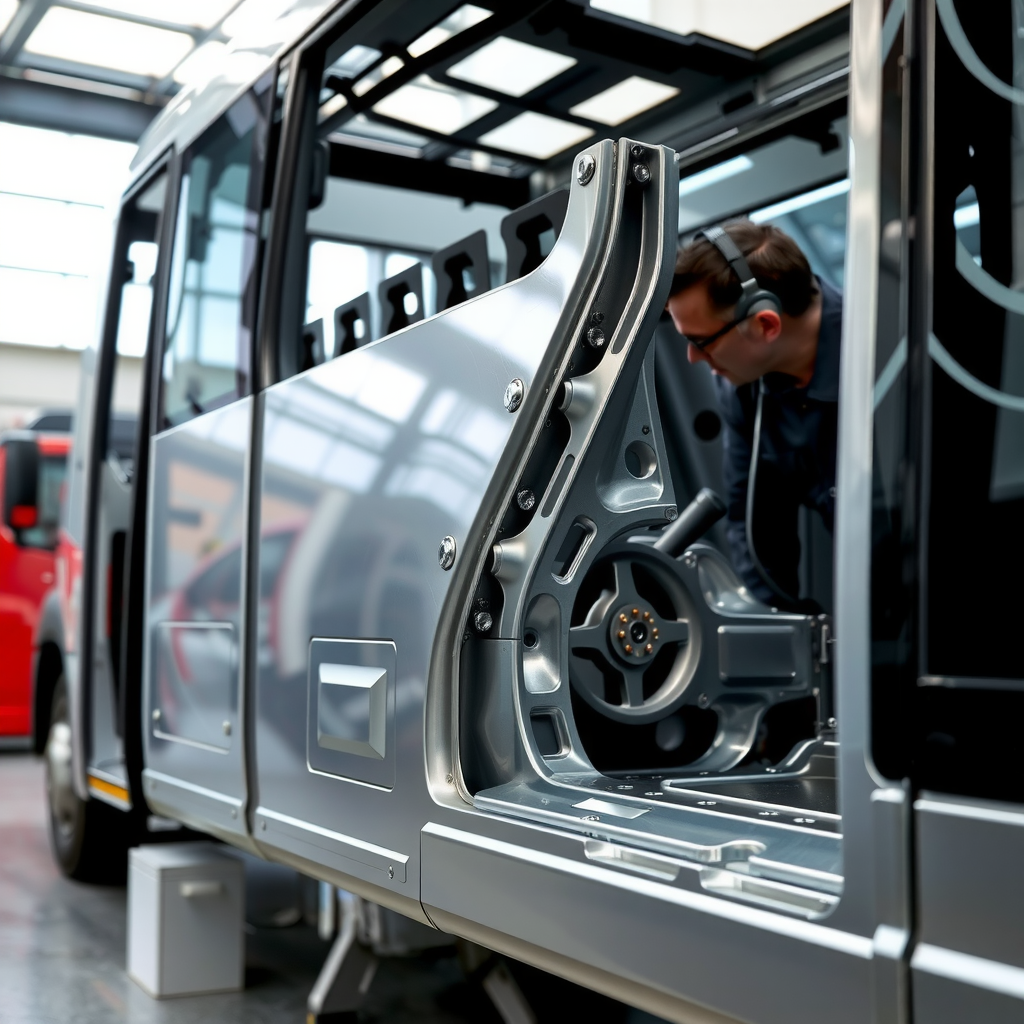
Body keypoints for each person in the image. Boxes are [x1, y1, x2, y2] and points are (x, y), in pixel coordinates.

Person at [665, 219, 843, 609]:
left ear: (764, 324)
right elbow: (755, 531)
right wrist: (776, 631)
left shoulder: (885, 354)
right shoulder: (743, 390)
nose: (693, 358)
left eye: (700, 342)